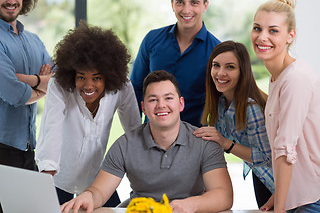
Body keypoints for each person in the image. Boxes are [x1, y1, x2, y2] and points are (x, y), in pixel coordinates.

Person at [61, 70, 233, 213]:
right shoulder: (125, 144)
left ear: (181, 104)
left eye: (168, 98)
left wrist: (190, 205)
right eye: (153, 100)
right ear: (143, 108)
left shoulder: (204, 143)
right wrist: (87, 196)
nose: (161, 105)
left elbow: (224, 195)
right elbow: (99, 191)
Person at [35, 21, 141, 207]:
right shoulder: (59, 86)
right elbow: (51, 129)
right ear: (72, 75)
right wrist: (46, 177)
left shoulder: (122, 88)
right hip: (58, 176)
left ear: (109, 77)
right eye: (81, 77)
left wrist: (140, 178)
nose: (88, 85)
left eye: (97, 78)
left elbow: (134, 132)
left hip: (96, 180)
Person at [250, 0, 320, 213]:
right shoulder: (277, 76)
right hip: (297, 196)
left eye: (273, 31)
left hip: (312, 198)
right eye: (257, 28)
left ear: (290, 36)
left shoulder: (295, 79)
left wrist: (278, 209)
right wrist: (278, 198)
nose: (262, 37)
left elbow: (285, 149)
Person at [130, 0, 220, 127]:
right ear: (172, 4)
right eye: (180, 2)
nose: (186, 10)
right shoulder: (152, 40)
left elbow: (224, 103)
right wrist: (134, 134)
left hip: (195, 140)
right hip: (152, 137)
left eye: (194, 3)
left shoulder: (217, 52)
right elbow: (135, 90)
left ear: (205, 5)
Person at [193, 41, 274, 209]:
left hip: (277, 182)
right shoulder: (220, 103)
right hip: (259, 176)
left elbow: (265, 157)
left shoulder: (251, 107)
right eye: (216, 65)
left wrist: (225, 143)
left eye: (230, 67)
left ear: (242, 72)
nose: (220, 73)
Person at [0, 0, 52, 170]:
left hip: (29, 150)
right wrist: (43, 85)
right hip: (2, 149)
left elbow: (59, 80)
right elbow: (14, 94)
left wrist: (26, 79)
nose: (11, 1)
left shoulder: (34, 41)